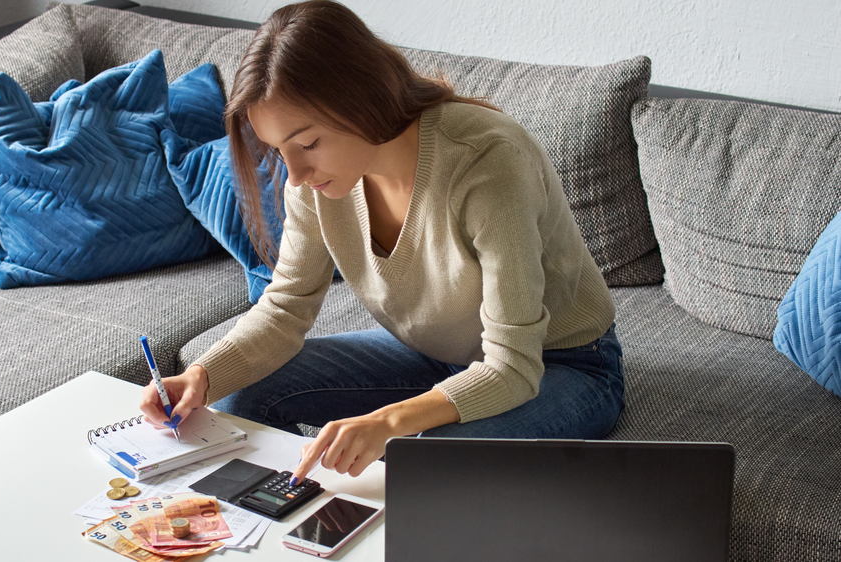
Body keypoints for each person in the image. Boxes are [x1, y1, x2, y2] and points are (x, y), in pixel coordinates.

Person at [140, 0, 624, 486]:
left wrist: (388, 422)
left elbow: (513, 366)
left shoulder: (487, 162)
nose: (296, 173)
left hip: (557, 363)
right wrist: (201, 376)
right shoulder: (313, 183)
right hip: (440, 356)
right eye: (279, 150)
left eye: (308, 144)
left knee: (423, 465)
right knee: (239, 395)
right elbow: (286, 308)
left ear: (361, 100)